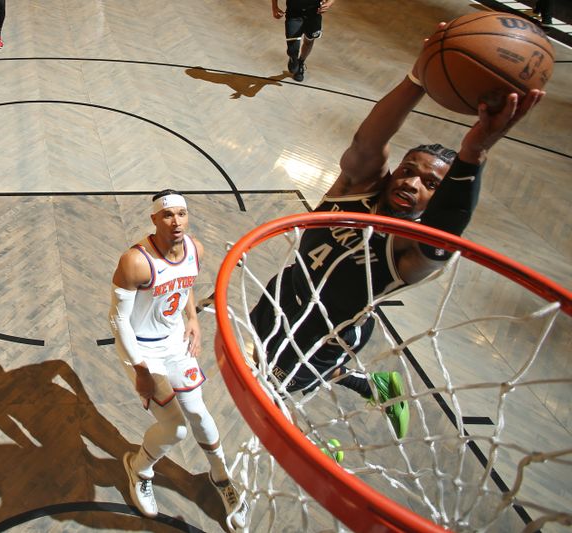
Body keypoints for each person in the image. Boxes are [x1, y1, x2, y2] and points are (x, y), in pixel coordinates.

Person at [249, 37, 544, 440]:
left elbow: (446, 231)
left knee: (271, 387)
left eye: (430, 184)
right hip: (285, 291)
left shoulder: (409, 250)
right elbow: (366, 143)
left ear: (439, 198)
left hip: (325, 333)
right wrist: (417, 78)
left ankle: (323, 443)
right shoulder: (358, 188)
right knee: (256, 351)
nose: (412, 183)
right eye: (409, 170)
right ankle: (373, 385)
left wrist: (473, 154)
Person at [109, 190, 248, 530]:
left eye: (182, 214)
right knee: (177, 428)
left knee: (199, 412)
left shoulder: (194, 249)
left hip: (174, 343)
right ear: (154, 219)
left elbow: (184, 289)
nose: (176, 221)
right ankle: (139, 467)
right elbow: (118, 320)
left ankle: (221, 477)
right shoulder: (136, 261)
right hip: (143, 351)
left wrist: (194, 320)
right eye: (168, 215)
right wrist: (140, 369)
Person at [271, 0, 336, 82]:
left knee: (309, 40)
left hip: (314, 13)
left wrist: (329, 3)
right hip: (294, 13)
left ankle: (301, 62)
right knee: (292, 49)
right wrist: (275, 7)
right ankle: (293, 57)